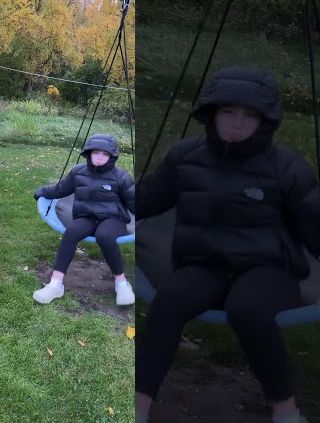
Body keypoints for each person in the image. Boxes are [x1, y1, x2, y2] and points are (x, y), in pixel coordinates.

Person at [134, 67, 320, 423]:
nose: (237, 123)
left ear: (265, 120)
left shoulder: (287, 168)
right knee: (168, 300)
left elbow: (313, 223)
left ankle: (285, 410)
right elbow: (147, 199)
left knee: (247, 308)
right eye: (228, 112)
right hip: (206, 263)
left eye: (249, 115)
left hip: (269, 268)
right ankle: (139, 406)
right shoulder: (186, 156)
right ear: (212, 113)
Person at [32, 134, 136, 306]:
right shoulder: (78, 172)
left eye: (105, 154)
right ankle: (55, 284)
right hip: (87, 217)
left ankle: (121, 283)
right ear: (89, 153)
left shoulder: (121, 176)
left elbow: (133, 201)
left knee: (105, 236)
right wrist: (42, 191)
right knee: (71, 231)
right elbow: (61, 189)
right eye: (96, 153)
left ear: (111, 156)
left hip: (113, 219)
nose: (100, 157)